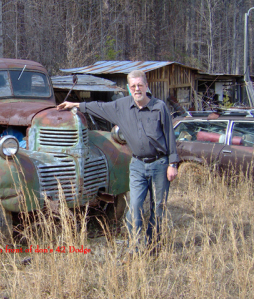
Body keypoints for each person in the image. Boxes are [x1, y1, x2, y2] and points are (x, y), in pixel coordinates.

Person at [57, 70, 178, 249]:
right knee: (134, 208)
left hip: (160, 164)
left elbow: (170, 136)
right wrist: (74, 104)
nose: (137, 89)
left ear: (146, 86)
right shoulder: (121, 106)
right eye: (133, 86)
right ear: (129, 89)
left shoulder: (159, 107)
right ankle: (135, 247)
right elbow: (98, 106)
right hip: (137, 164)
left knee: (158, 208)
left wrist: (173, 164)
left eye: (140, 85)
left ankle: (154, 246)